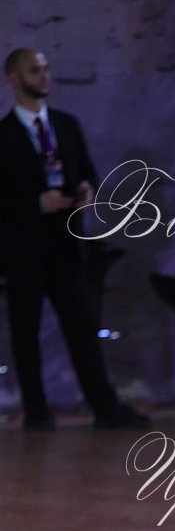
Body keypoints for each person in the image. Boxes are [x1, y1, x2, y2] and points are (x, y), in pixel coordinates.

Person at [0, 47, 150, 430]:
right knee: (26, 332)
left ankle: (104, 405)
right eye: (34, 71)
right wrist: (35, 203)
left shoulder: (66, 125)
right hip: (23, 251)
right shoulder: (3, 135)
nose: (43, 77)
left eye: (45, 69)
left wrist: (86, 191)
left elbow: (87, 172)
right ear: (14, 78)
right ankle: (36, 409)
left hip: (67, 245)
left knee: (82, 327)